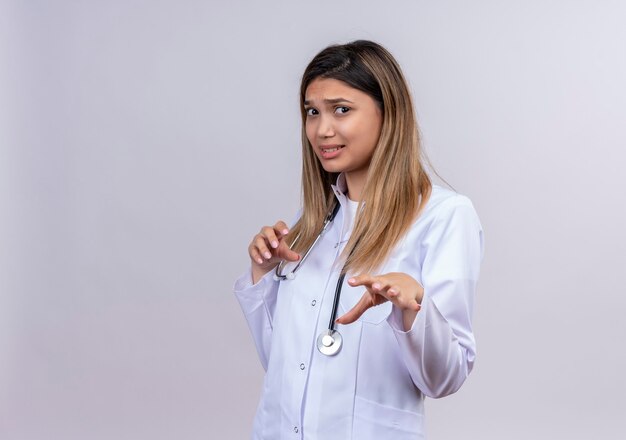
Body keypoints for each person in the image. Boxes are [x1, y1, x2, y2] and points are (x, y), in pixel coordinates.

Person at [234, 40, 484, 440]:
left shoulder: (443, 216)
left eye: (342, 110)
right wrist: (263, 274)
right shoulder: (310, 226)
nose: (322, 129)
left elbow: (445, 378)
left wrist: (411, 308)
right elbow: (282, 366)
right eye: (312, 112)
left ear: (389, 114)